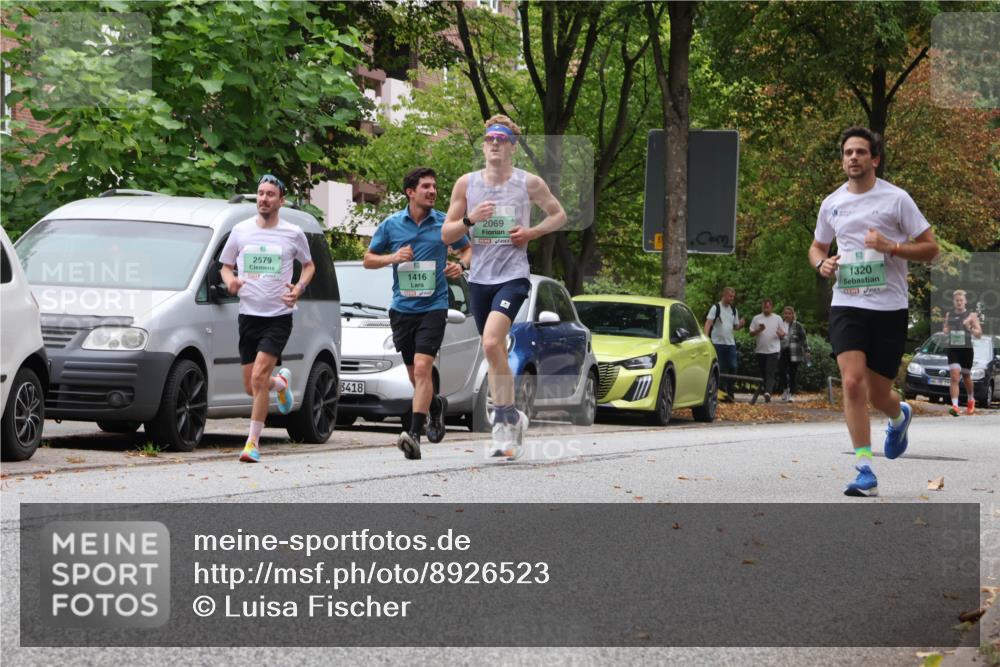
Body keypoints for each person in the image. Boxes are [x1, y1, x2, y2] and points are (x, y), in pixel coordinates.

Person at [809, 126, 939, 497]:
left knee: (880, 395)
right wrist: (822, 265)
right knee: (852, 382)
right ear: (842, 159)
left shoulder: (897, 200)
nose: (853, 158)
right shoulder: (831, 203)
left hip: (889, 307)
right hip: (848, 303)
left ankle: (899, 416)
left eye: (860, 152)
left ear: (875, 159)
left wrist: (891, 246)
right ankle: (864, 468)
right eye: (848, 152)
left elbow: (931, 249)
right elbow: (817, 247)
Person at [441, 114, 567, 460]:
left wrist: (531, 233)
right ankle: (513, 416)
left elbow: (559, 215)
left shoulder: (529, 183)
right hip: (479, 279)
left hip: (512, 276)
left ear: (512, 147)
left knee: (493, 341)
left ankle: (502, 420)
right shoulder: (466, 184)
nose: (495, 143)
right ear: (484, 146)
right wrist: (470, 220)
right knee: (492, 350)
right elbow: (446, 234)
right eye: (489, 139)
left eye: (501, 139)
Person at [364, 167, 472, 460]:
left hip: (434, 308)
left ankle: (413, 434)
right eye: (426, 186)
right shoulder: (391, 224)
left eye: (435, 186)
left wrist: (459, 266)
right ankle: (435, 406)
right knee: (416, 376)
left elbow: (467, 250)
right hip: (402, 310)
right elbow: (368, 260)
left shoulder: (445, 224)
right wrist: (393, 257)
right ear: (410, 192)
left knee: (424, 369)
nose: (433, 191)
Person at [220, 174, 315, 463]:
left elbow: (309, 266)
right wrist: (230, 282)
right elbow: (225, 266)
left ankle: (252, 443)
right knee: (252, 386)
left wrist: (298, 288)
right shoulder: (240, 230)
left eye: (270, 194)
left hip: (278, 316)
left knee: (259, 376)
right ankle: (281, 385)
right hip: (248, 315)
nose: (263, 198)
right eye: (260, 193)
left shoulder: (292, 233)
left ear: (280, 200)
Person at [942, 289, 982, 416]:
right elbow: (945, 329)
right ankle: (955, 406)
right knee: (954, 376)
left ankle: (971, 400)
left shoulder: (971, 316)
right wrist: (946, 330)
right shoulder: (949, 314)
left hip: (966, 350)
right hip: (953, 349)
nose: (959, 302)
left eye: (961, 300)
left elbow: (979, 334)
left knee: (966, 376)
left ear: (965, 301)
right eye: (957, 300)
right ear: (954, 302)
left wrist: (968, 327)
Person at [704, 287, 746, 402]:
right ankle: (721, 393)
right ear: (724, 295)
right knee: (720, 368)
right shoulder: (716, 308)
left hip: (730, 343)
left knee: (733, 367)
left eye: (733, 297)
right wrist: (706, 338)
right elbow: (708, 323)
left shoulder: (733, 310)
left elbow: (735, 326)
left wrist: (741, 324)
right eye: (730, 296)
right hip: (718, 343)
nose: (732, 299)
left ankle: (730, 391)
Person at [749, 298, 785, 402]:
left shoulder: (777, 318)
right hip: (760, 350)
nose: (766, 308)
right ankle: (766, 390)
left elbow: (783, 333)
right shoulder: (756, 318)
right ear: (762, 307)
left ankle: (768, 392)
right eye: (764, 306)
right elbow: (751, 333)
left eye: (768, 307)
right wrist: (759, 330)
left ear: (771, 307)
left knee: (770, 371)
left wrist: (781, 334)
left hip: (773, 350)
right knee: (763, 372)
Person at [777, 306, 809, 402]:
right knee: (781, 370)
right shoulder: (781, 324)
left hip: (795, 351)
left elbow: (804, 338)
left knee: (793, 373)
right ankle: (785, 389)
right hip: (783, 351)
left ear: (793, 314)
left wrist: (807, 350)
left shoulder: (797, 325)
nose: (787, 315)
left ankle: (792, 393)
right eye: (785, 313)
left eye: (789, 313)